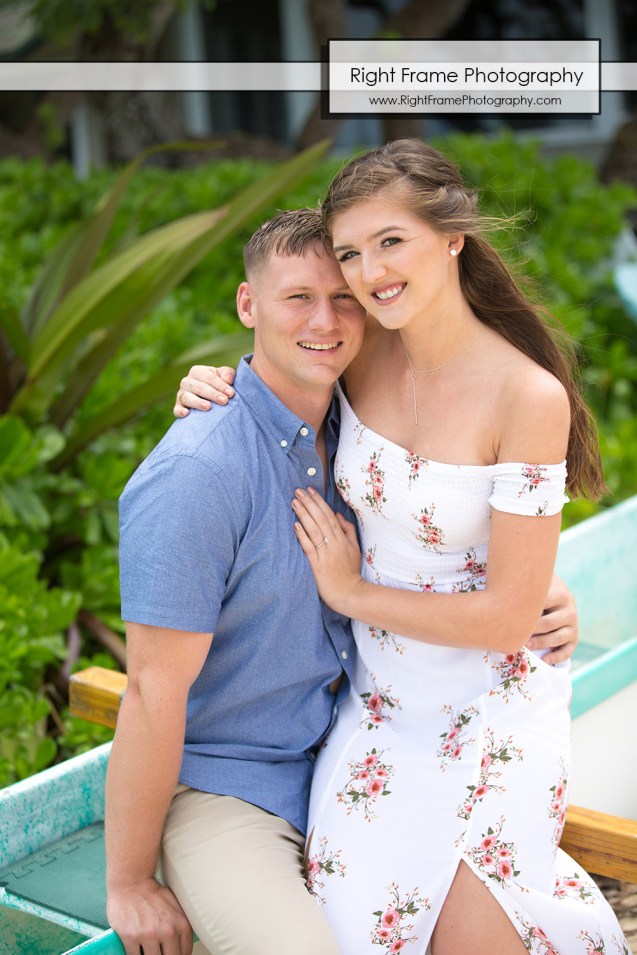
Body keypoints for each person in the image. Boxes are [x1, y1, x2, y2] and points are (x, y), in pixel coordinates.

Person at [175, 140, 630, 955]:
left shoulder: (525, 393)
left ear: (452, 236)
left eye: (391, 241)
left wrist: (352, 592)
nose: (369, 271)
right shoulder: (361, 352)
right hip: (379, 703)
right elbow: (276, 370)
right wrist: (213, 381)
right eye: (350, 252)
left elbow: (505, 620)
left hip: (492, 709)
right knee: (357, 932)